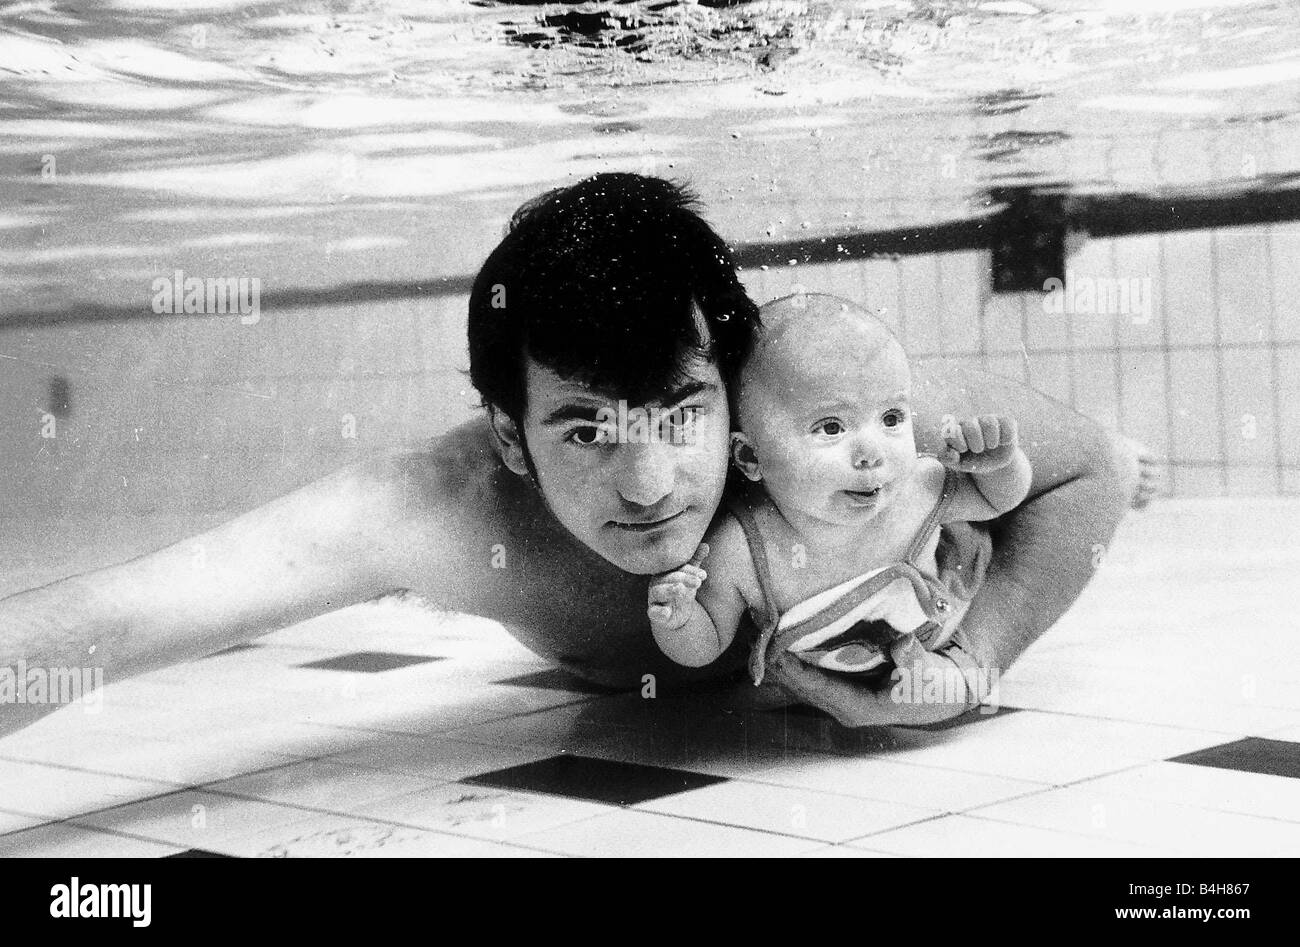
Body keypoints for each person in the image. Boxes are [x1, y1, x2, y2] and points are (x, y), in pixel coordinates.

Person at [0, 173, 1141, 738]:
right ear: (508, 435)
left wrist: (971, 666)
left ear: (737, 398)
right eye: (586, 429)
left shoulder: (821, 416)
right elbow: (119, 615)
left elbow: (1096, 466)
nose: (648, 489)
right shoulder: (444, 514)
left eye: (680, 413)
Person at [648, 295, 1032, 688]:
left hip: (949, 617)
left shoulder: (917, 487)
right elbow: (708, 641)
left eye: (891, 418)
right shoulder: (742, 548)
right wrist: (678, 621)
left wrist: (1000, 465)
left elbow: (995, 500)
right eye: (831, 428)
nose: (871, 453)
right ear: (749, 456)